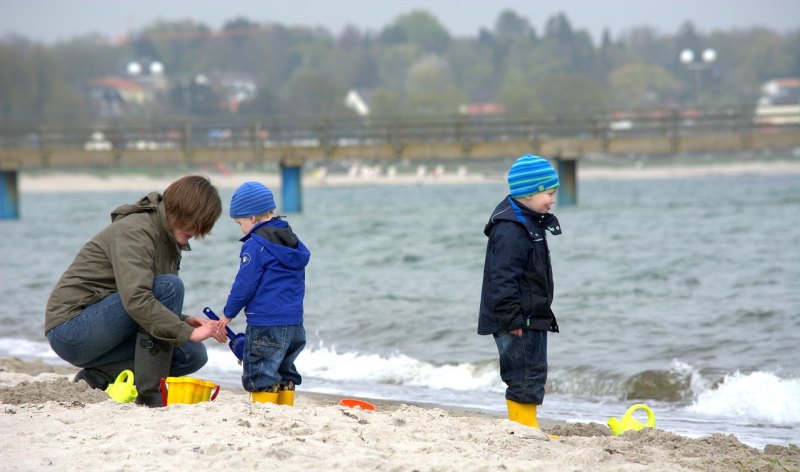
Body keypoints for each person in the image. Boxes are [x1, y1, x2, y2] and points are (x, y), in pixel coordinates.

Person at [45, 175, 227, 407]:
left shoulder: (167, 237)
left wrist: (183, 321)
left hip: (104, 326)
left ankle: (98, 376)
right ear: (182, 210)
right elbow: (138, 298)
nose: (198, 231)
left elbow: (142, 298)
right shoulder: (136, 231)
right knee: (171, 286)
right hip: (71, 329)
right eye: (197, 221)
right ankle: (150, 394)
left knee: (192, 355)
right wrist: (183, 330)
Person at [478, 154, 562, 431]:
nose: (552, 200)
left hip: (530, 314)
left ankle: (524, 426)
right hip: (517, 319)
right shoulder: (512, 229)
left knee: (531, 373)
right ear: (528, 193)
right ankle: (524, 429)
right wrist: (511, 318)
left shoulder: (529, 221)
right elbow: (502, 278)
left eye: (554, 193)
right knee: (525, 375)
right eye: (548, 193)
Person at [215, 181, 310, 405]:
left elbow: (245, 283)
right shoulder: (293, 243)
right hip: (295, 323)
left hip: (266, 322)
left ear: (252, 218)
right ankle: (285, 407)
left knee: (260, 371)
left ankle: (264, 411)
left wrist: (229, 313)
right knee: (285, 370)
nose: (241, 228)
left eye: (240, 222)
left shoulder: (255, 245)